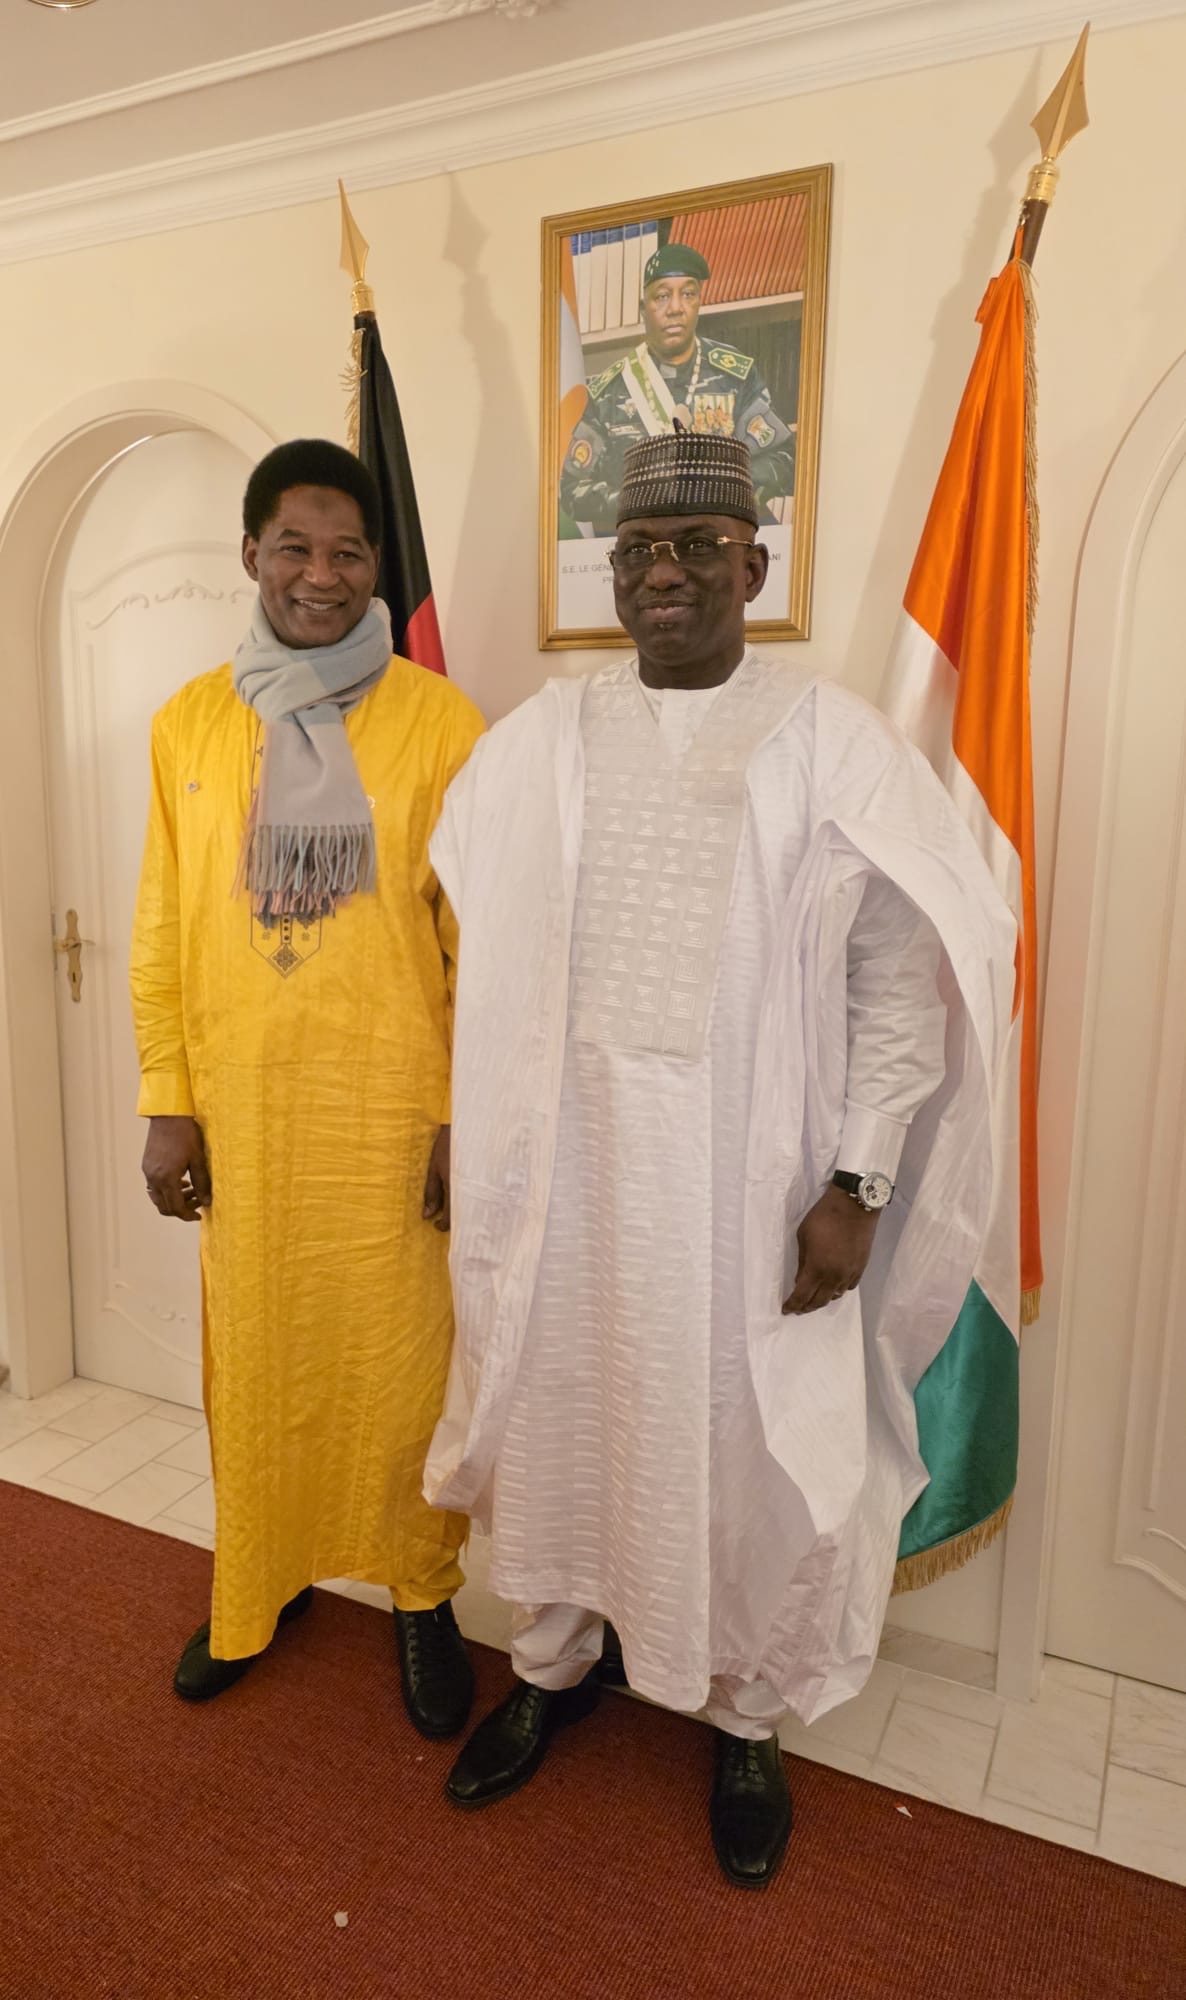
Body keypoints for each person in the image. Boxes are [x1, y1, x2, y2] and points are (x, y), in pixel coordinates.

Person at [424, 431, 1015, 1887]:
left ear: (753, 568)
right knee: (561, 1409)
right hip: (569, 1181)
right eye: (637, 551)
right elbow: (480, 948)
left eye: (697, 548)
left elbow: (898, 985)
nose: (663, 574)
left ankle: (748, 1714)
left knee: (758, 1443)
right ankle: (551, 1665)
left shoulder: (833, 742)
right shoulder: (538, 742)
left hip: (751, 1188)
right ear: (611, 573)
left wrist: (858, 1184)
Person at [130, 438, 483, 1737]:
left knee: (401, 1374)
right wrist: (167, 1100)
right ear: (251, 555)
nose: (319, 575)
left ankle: (420, 1594)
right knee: (257, 1367)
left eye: (346, 552)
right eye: (294, 547)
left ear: (377, 565)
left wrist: (459, 1118)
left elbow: (479, 943)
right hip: (246, 1120)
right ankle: (256, 1585)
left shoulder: (442, 724)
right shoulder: (187, 722)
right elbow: (162, 927)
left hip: (391, 1118)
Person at [560, 243, 794, 533]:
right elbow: (572, 489)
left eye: (688, 294)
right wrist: (637, 500)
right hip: (645, 545)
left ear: (699, 303)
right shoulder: (609, 391)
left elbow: (785, 458)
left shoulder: (734, 376)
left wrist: (727, 486)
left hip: (720, 541)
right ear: (643, 309)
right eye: (662, 296)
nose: (675, 308)